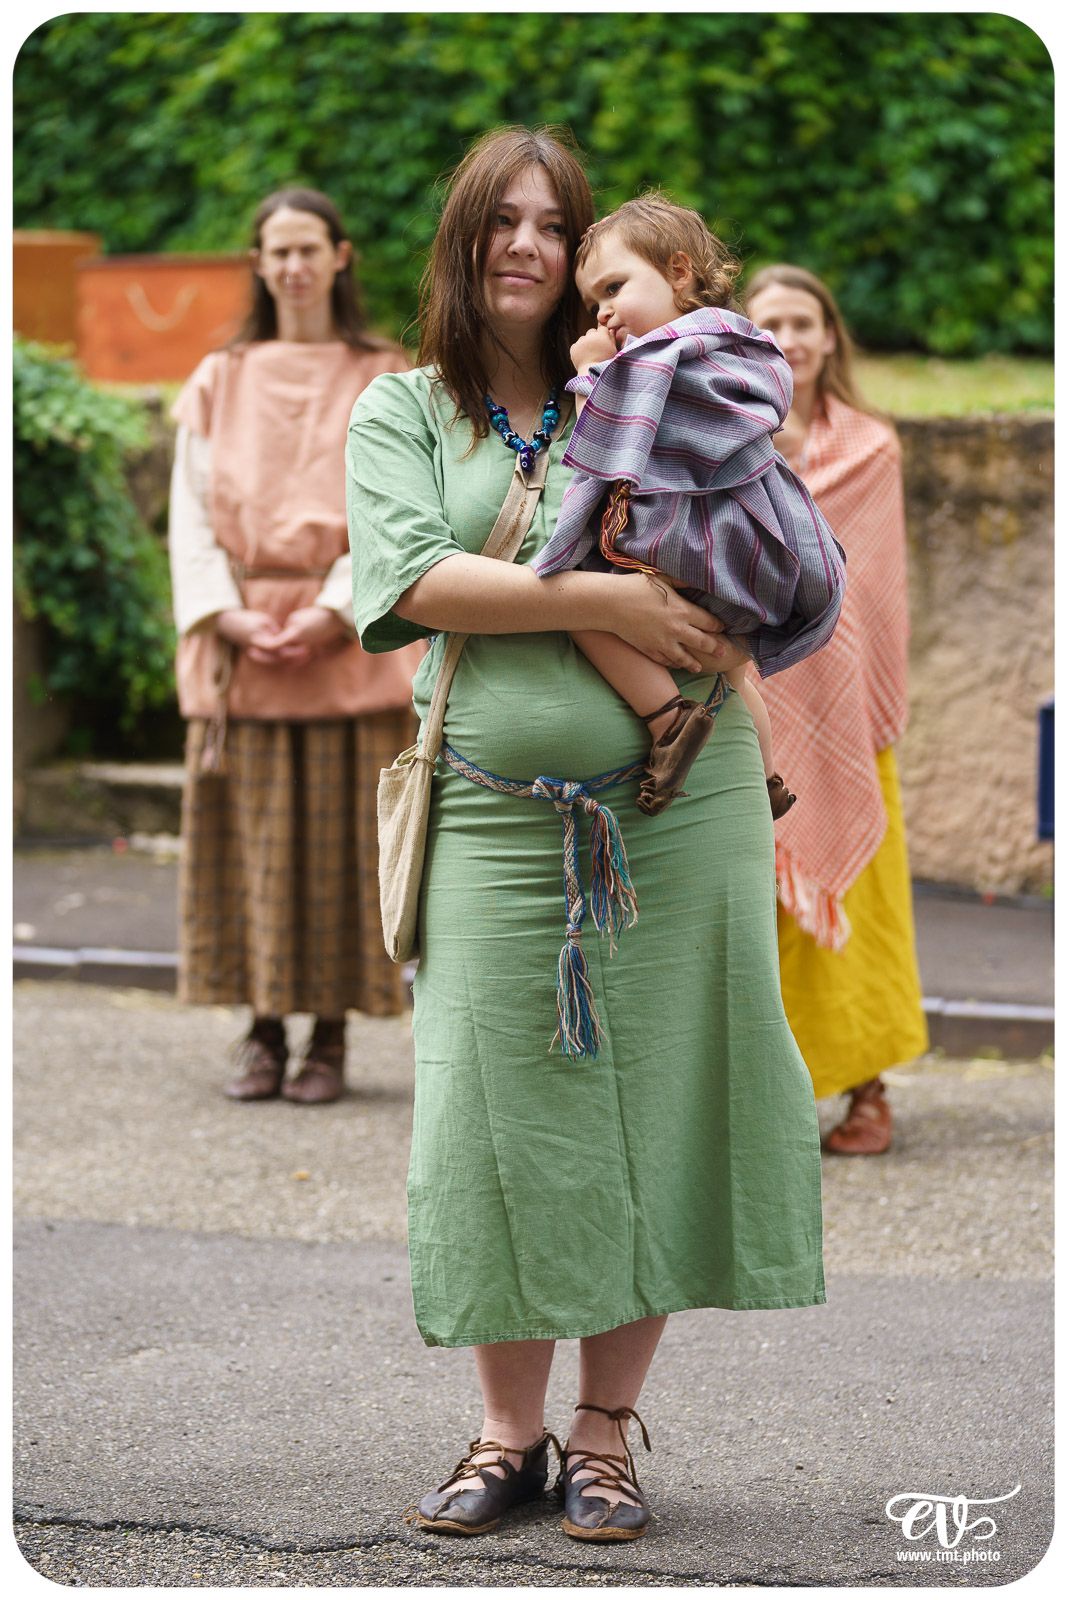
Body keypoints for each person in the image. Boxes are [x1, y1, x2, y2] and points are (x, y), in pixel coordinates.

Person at [346, 125, 825, 1544]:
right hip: (497, 824)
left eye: (553, 227)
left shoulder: (637, 381)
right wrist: (600, 605)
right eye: (500, 220)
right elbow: (411, 578)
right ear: (459, 240)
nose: (526, 247)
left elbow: (761, 536)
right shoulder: (401, 409)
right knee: (495, 1120)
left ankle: (605, 1431)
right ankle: (508, 1436)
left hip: (683, 813)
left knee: (662, 1103)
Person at [168, 187, 424, 1104]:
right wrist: (224, 613)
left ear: (341, 255)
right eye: (277, 250)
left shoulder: (382, 372)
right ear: (259, 262)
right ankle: (262, 1030)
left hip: (346, 638)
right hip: (242, 640)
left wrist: (335, 608)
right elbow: (189, 516)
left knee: (344, 847)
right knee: (250, 846)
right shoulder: (219, 376)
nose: (294, 265)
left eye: (309, 247)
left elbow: (398, 510)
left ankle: (329, 1037)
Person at [533, 194, 845, 818]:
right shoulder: (734, 342)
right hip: (740, 547)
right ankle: (767, 775)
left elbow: (638, 431)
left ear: (679, 273)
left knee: (577, 599)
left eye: (615, 287)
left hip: (696, 541)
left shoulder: (675, 350)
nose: (605, 313)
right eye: (594, 302)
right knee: (733, 677)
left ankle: (668, 719)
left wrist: (594, 373)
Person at [744, 264, 929, 1155]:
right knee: (757, 913)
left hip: (843, 718)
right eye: (769, 321)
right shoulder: (721, 440)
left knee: (862, 905)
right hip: (751, 715)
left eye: (803, 321)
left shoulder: (870, 448)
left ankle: (866, 1091)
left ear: (828, 337)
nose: (787, 337)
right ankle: (765, 1096)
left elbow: (874, 597)